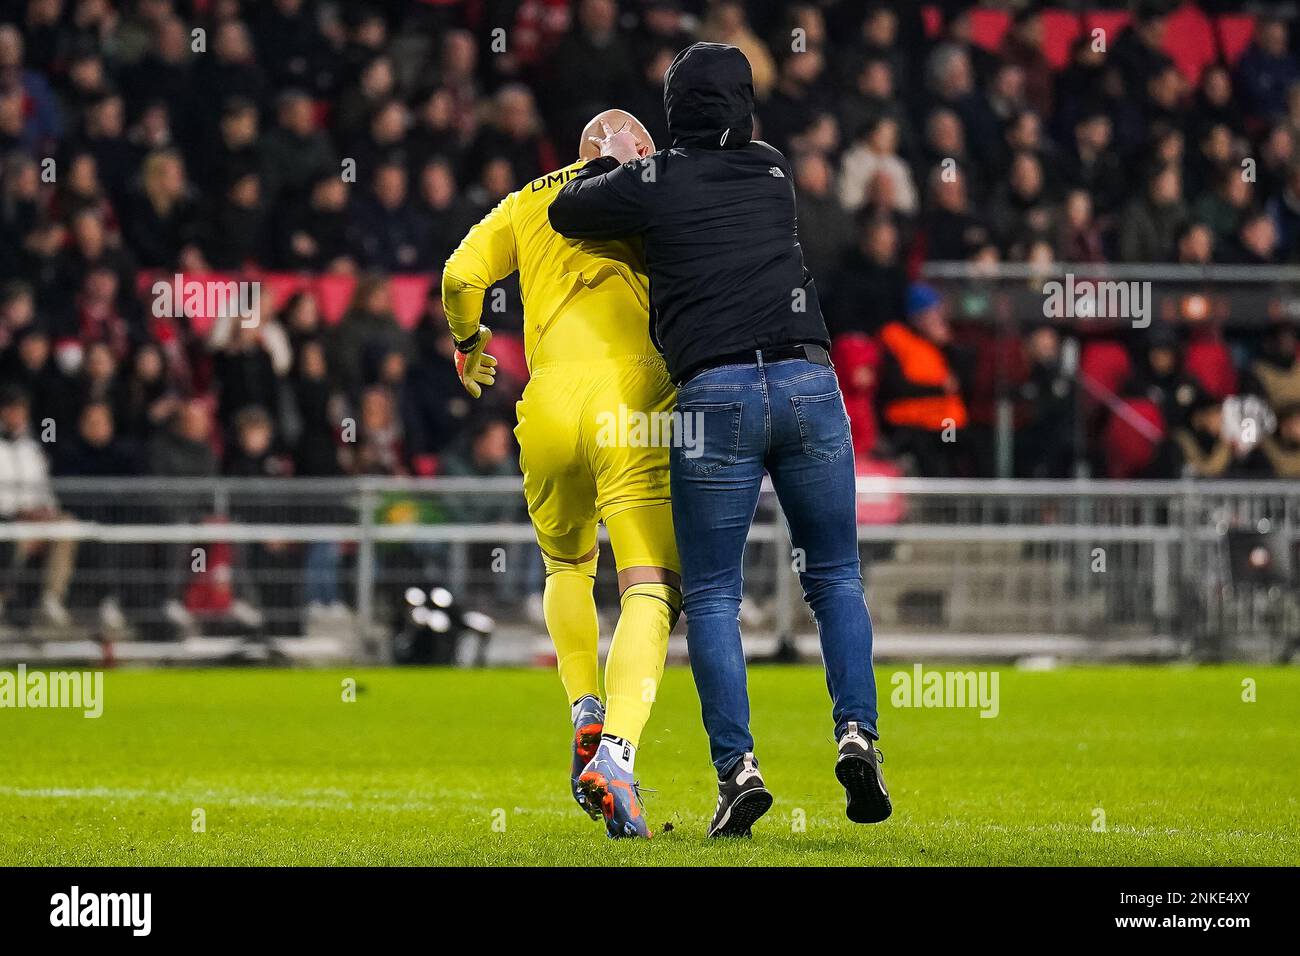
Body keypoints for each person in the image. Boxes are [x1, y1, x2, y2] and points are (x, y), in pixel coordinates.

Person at [549, 42, 890, 838]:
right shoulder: (772, 169)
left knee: (709, 597)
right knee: (836, 577)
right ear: (743, 105)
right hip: (810, 384)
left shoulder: (654, 182)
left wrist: (608, 163)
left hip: (715, 396)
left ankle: (738, 771)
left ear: (674, 112)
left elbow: (571, 212)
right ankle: (857, 735)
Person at [442, 106, 681, 839]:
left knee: (567, 568)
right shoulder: (656, 188)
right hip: (631, 396)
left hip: (545, 405)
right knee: (650, 587)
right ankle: (616, 755)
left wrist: (468, 341)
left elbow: (458, 277)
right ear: (638, 150)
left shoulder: (526, 201)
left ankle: (585, 706)